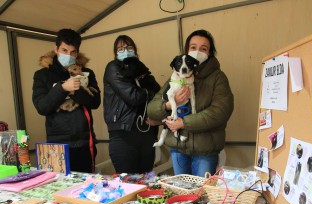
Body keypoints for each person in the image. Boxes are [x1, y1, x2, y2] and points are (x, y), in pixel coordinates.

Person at [147, 29, 234, 177]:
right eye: (193, 47)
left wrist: (184, 123)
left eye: (203, 48)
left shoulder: (218, 78)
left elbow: (220, 111)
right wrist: (168, 105)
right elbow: (152, 109)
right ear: (187, 50)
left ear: (210, 53)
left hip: (205, 151)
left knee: (201, 195)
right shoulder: (176, 76)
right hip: (178, 149)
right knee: (182, 194)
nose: (197, 51)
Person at [32, 28, 100, 173]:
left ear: (77, 52)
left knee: (84, 189)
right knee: (57, 189)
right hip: (56, 144)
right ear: (56, 49)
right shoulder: (42, 75)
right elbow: (42, 107)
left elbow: (95, 102)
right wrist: (62, 88)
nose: (68, 55)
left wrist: (76, 90)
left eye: (72, 52)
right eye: (64, 50)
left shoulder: (87, 73)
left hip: (84, 141)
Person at [103, 35, 160, 174]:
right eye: (120, 48)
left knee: (146, 182)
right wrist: (148, 92)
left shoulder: (140, 69)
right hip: (123, 134)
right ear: (115, 53)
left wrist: (145, 84)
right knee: (128, 184)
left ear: (135, 50)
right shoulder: (113, 68)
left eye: (129, 47)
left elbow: (159, 95)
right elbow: (133, 97)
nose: (125, 51)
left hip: (146, 133)